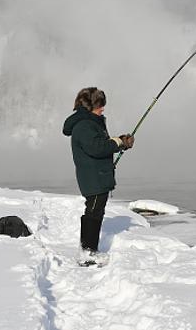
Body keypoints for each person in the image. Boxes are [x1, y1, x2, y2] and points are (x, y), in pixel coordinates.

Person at [62, 87, 134, 265]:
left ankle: (89, 250)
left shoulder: (90, 121)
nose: (102, 109)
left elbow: (100, 143)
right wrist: (117, 142)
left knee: (96, 212)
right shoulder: (84, 125)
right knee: (93, 213)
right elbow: (97, 148)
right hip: (93, 178)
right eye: (99, 106)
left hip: (97, 176)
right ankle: (87, 253)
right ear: (89, 106)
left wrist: (120, 141)